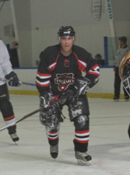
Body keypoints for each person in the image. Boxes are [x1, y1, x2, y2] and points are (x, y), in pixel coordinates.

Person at [35, 26, 101, 166]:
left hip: (74, 93)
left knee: (82, 119)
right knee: (51, 122)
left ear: (73, 39)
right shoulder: (50, 54)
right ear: (59, 39)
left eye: (69, 38)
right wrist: (45, 94)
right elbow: (42, 77)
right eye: (63, 38)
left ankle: (81, 151)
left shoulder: (81, 54)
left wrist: (85, 82)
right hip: (54, 93)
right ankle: (53, 142)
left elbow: (94, 70)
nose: (66, 42)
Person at [112, 37, 130, 101]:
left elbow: (128, 60)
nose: (119, 42)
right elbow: (116, 58)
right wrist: (115, 65)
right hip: (117, 67)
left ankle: (126, 95)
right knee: (116, 82)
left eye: (120, 41)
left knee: (125, 82)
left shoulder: (127, 51)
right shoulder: (118, 50)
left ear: (123, 42)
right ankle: (116, 96)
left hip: (124, 68)